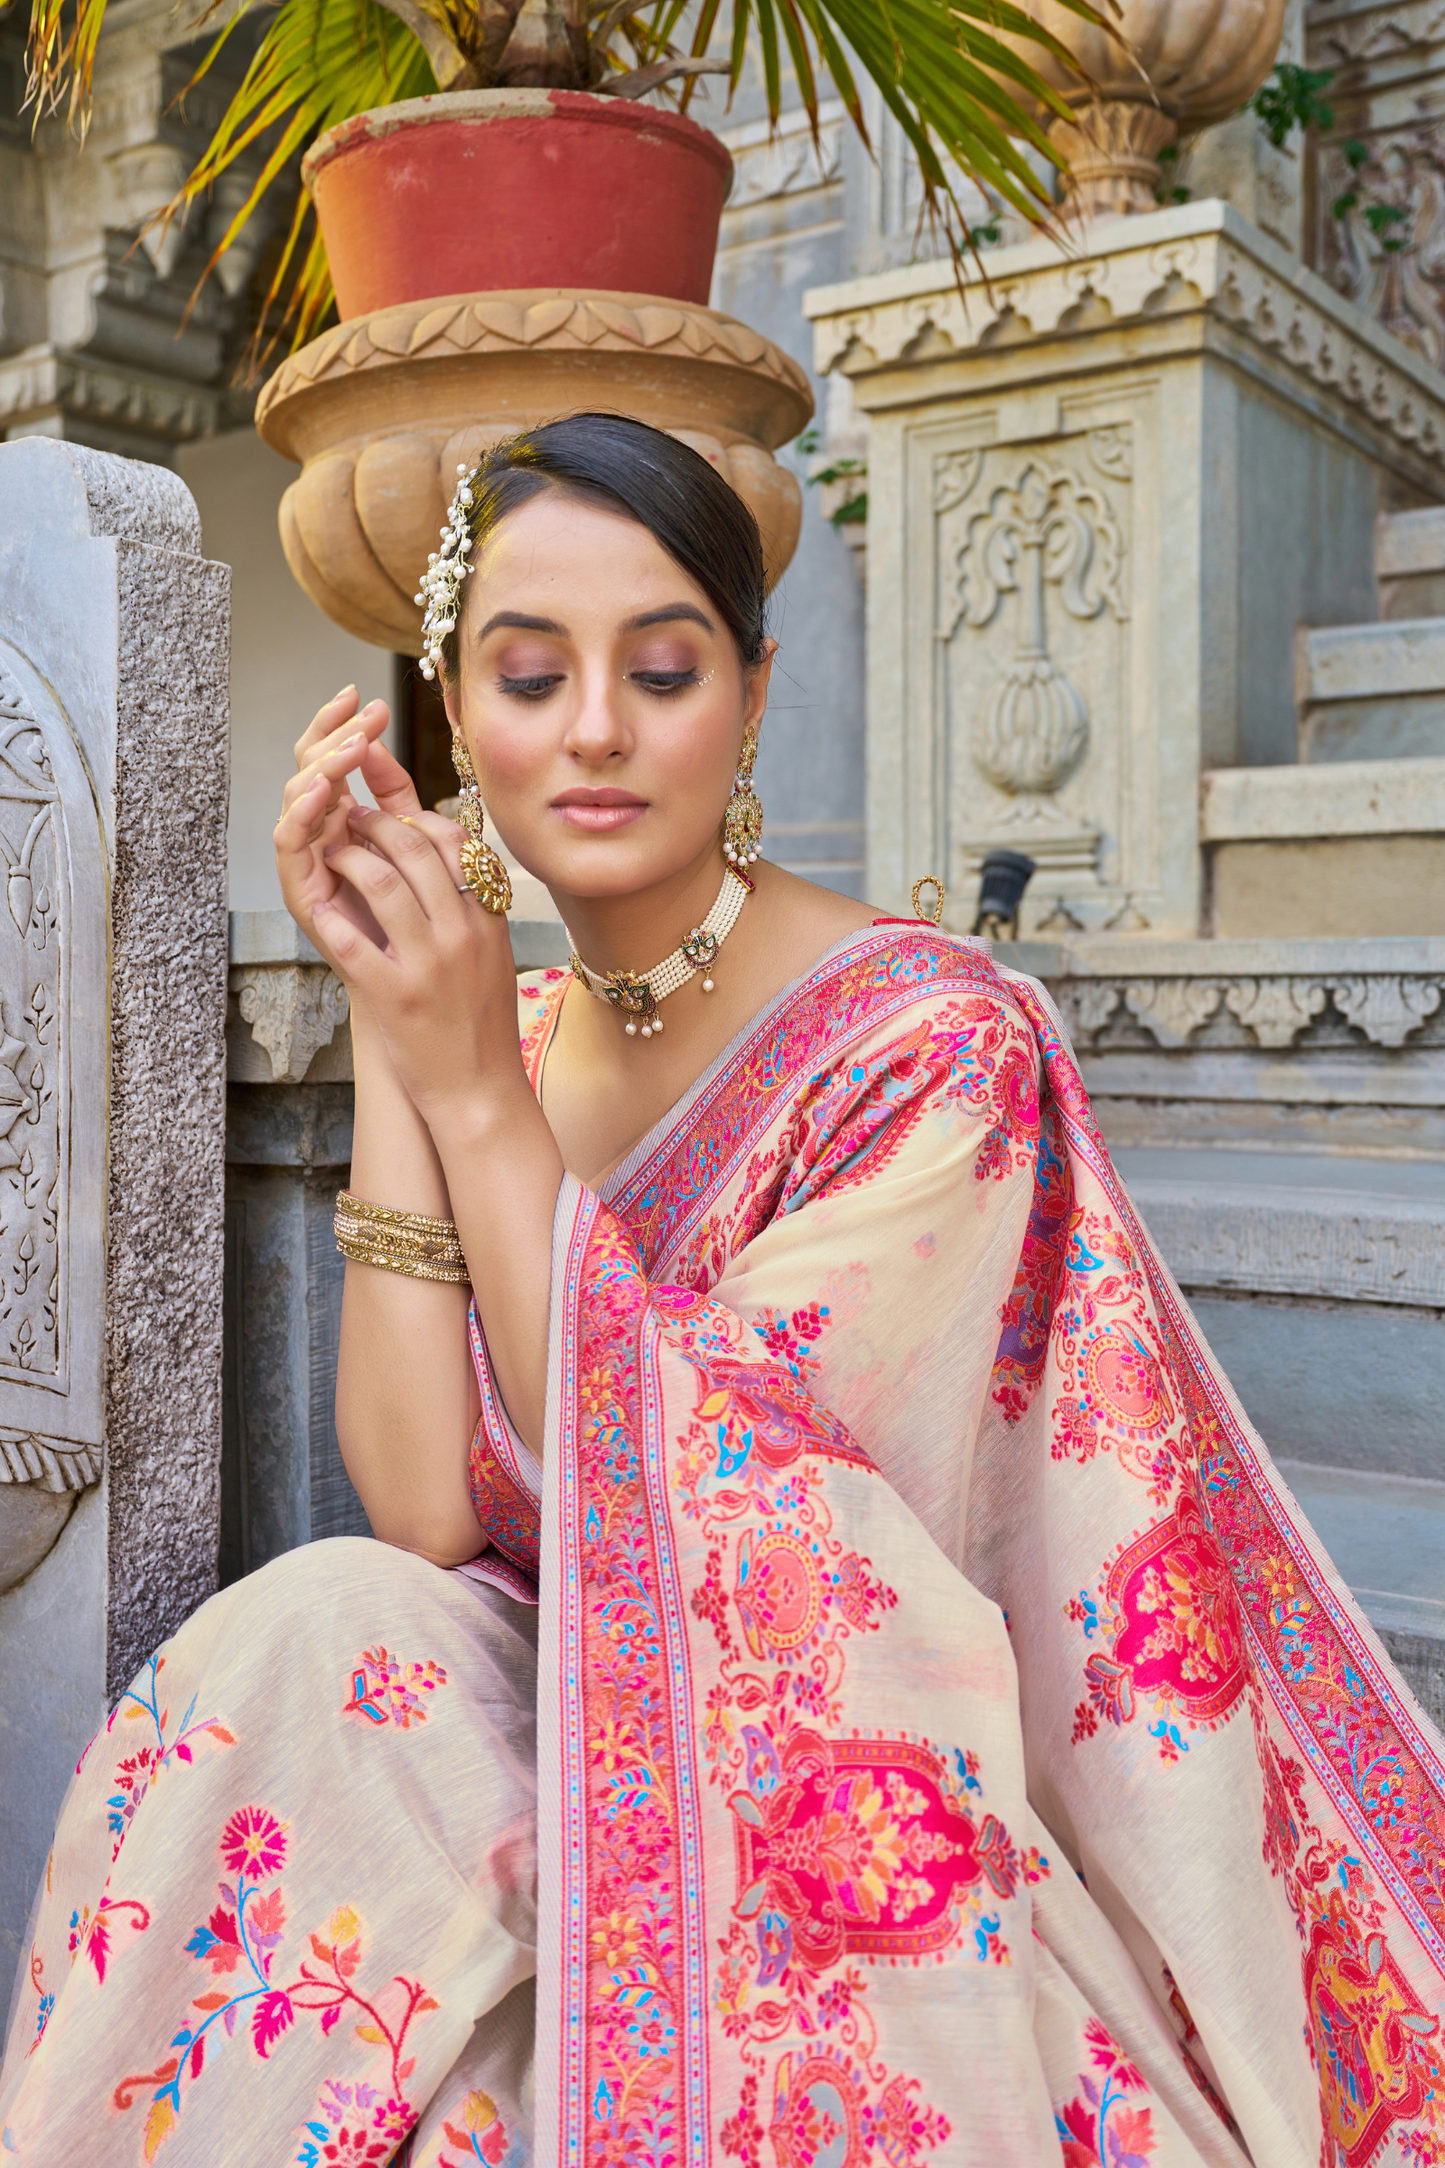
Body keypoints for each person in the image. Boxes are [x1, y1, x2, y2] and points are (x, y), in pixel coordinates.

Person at [3, 414, 1443, 2168]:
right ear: (456, 710)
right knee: (314, 1630)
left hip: (859, 1767)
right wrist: (400, 1033)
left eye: (662, 670)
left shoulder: (929, 1051)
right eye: (529, 678)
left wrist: (471, 1096)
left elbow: (769, 1548)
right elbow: (419, 1512)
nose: (594, 730)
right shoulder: (509, 1027)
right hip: (563, 1712)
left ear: (751, 698)